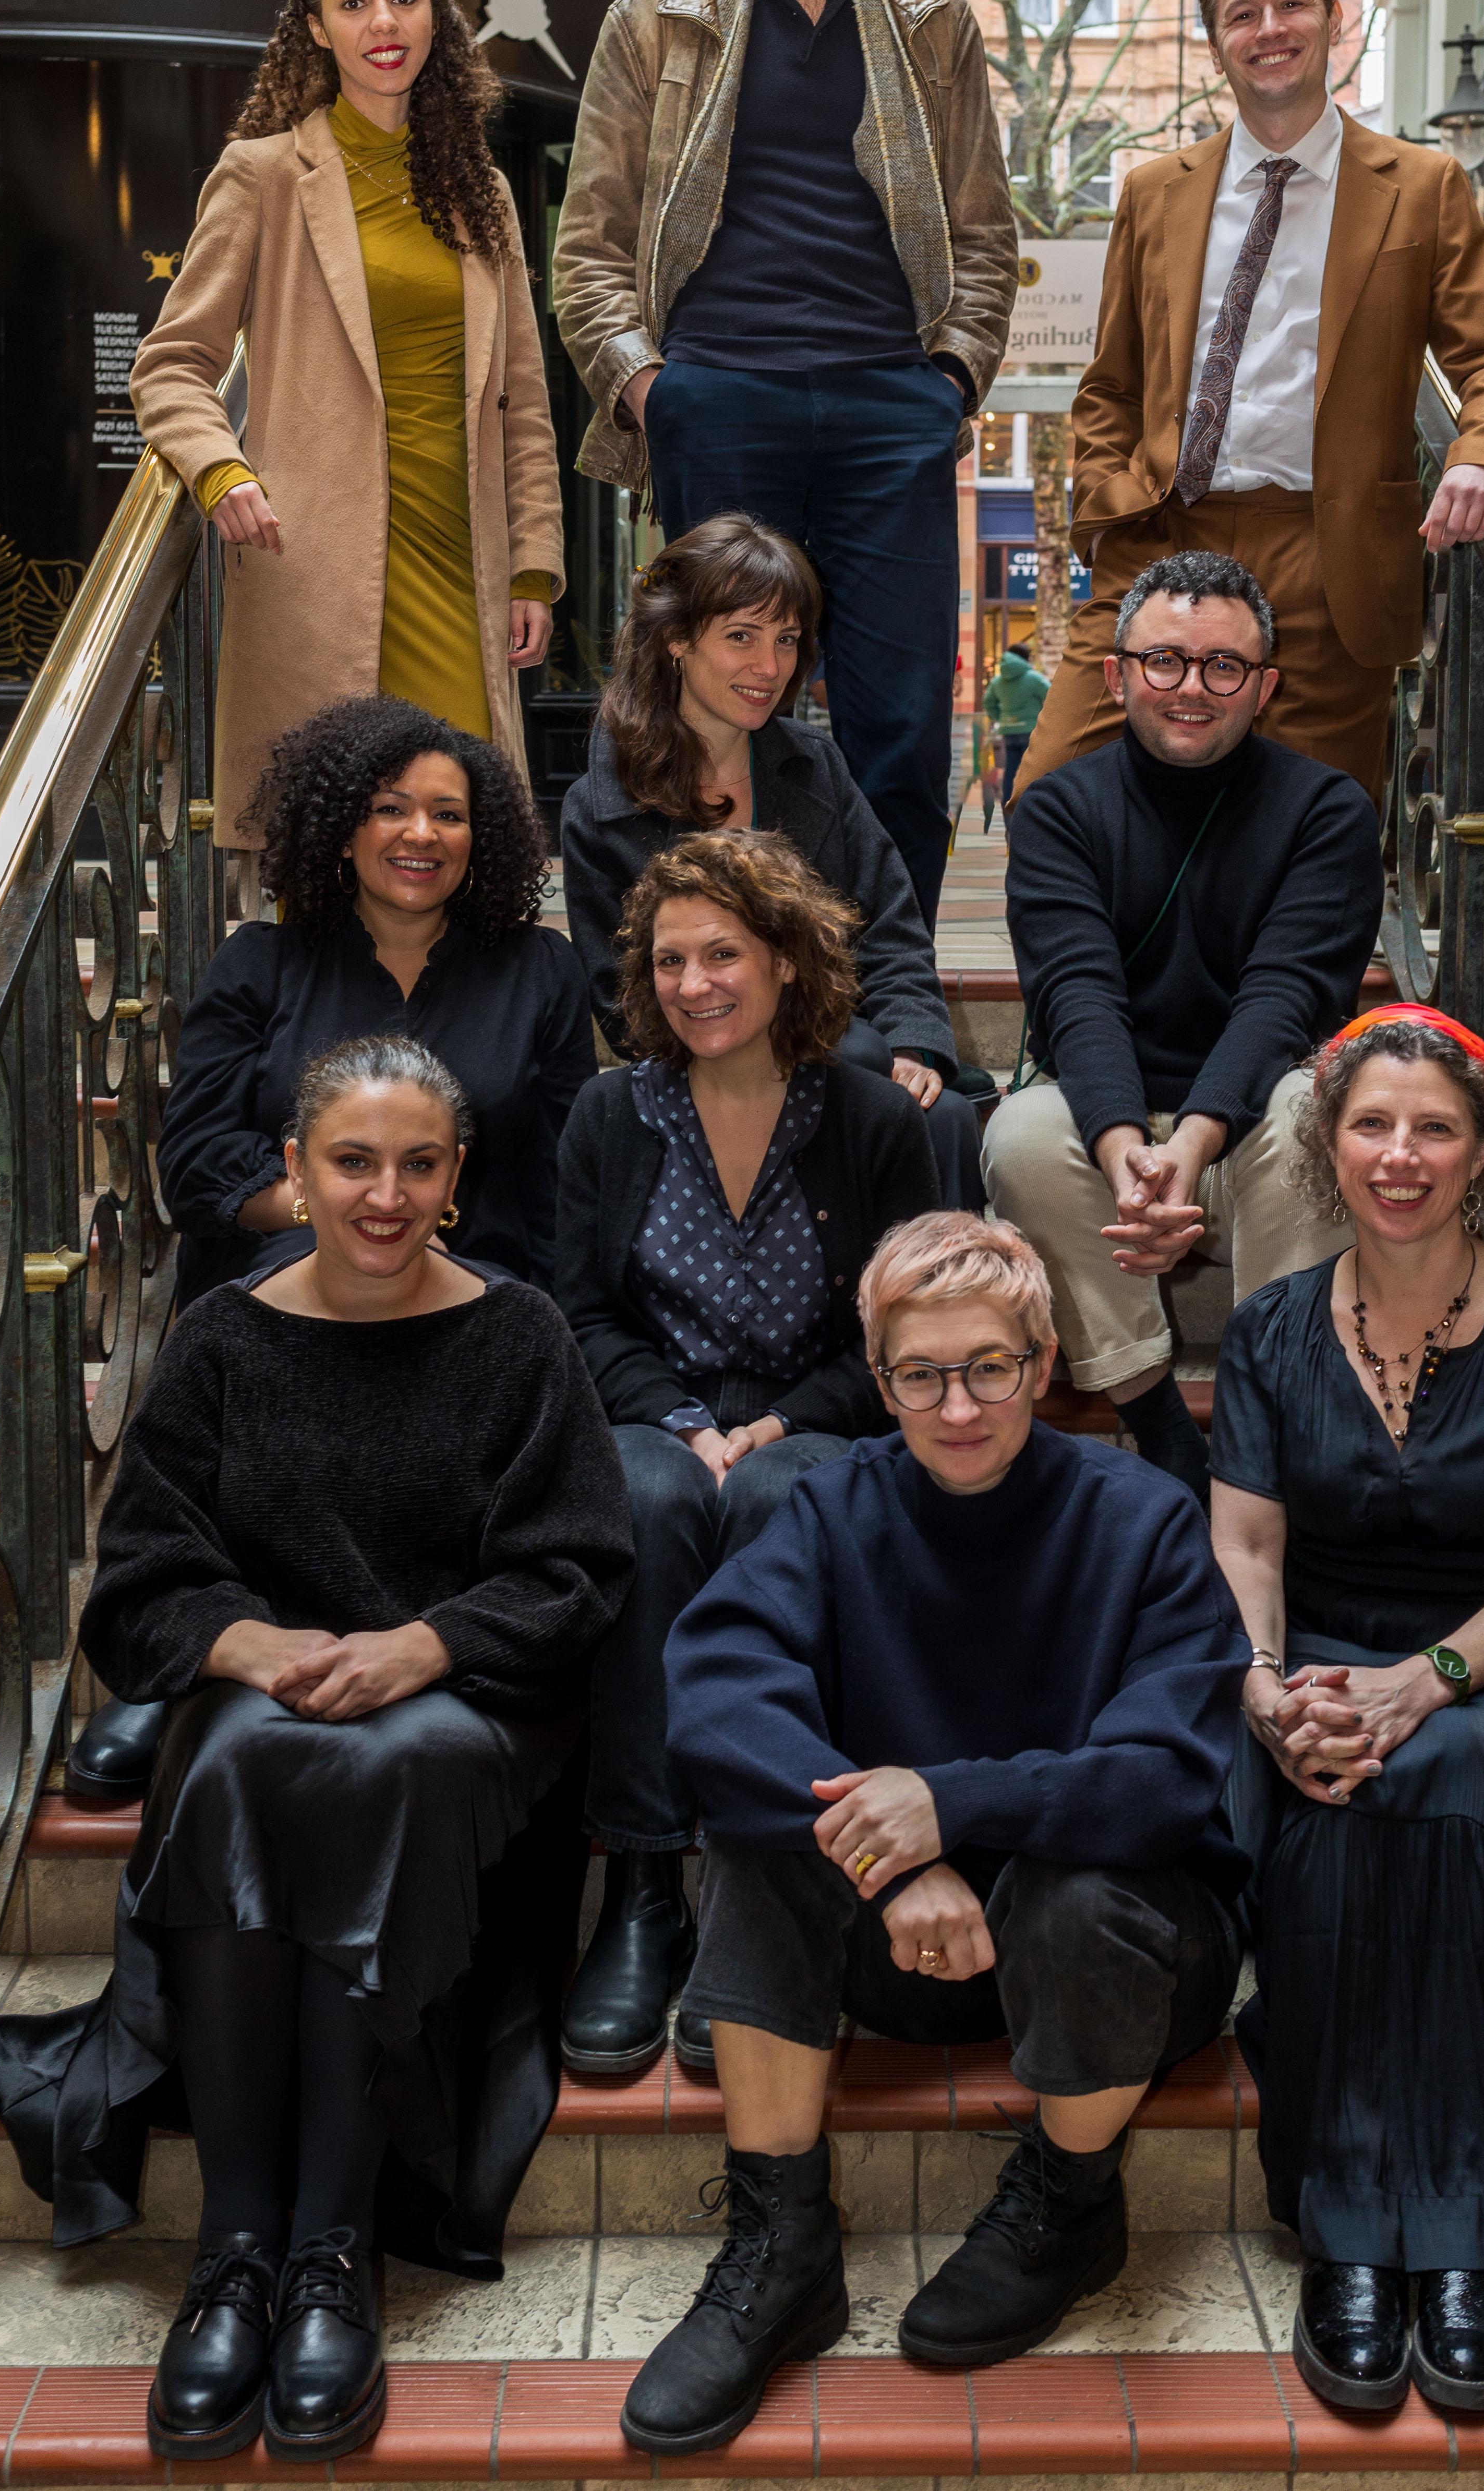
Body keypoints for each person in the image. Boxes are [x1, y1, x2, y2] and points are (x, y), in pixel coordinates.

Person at [0, 1036, 633, 2466]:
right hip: (262, 1692)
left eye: (416, 1162)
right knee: (228, 1762)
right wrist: (253, 1645)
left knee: (373, 1767)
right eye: (351, 1159)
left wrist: (424, 1643)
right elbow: (141, 1575)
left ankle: (333, 2251)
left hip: (470, 1703)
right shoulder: (222, 1332)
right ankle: (234, 2246)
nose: (383, 1192)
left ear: (456, 1176)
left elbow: (579, 1570)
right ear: (293, 1169)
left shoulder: (519, 1334)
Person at [618, 1211, 1248, 2457]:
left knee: (1081, 1880)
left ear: (1043, 1353)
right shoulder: (830, 1507)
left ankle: (1069, 2206)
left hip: (1114, 1958)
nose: (957, 1406)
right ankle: (779, 2244)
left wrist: (945, 1802)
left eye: (989, 1367)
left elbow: (1166, 1776)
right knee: (763, 1831)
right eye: (919, 1374)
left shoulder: (1143, 1516)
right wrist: (897, 1851)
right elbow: (717, 1702)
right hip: (897, 1949)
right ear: (880, 1376)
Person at [1211, 1004, 1484, 2416]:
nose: (1398, 1154)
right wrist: (1268, 1687)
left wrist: (1422, 1680)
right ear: (1325, 1140)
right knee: (1342, 1791)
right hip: (1323, 1667)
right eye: (1370, 1123)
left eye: (1432, 1126)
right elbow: (1247, 1551)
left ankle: (1456, 2231)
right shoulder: (1273, 1327)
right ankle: (1351, 2222)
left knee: (1436, 1775)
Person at [65, 695, 595, 1809]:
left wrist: (490, 1298)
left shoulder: (541, 974)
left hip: (471, 1301)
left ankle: (422, 1641)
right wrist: (342, 1232)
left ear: (482, 835)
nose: (419, 833)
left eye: (447, 813)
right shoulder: (261, 960)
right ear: (338, 825)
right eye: (390, 807)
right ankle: (198, 1653)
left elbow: (555, 1182)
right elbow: (199, 1159)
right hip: (281, 1285)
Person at [549, 0, 1016, 930]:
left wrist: (948, 387)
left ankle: (889, 1006)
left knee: (903, 724)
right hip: (720, 400)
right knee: (709, 717)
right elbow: (586, 249)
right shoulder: (653, 20)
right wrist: (660, 389)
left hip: (885, 403)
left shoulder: (930, 23)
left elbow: (983, 238)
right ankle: (718, 975)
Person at [1013, 0, 1484, 811]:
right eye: (1242, 14)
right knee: (1053, 800)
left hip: (1326, 556)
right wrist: (1106, 511)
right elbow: (1109, 387)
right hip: (1159, 534)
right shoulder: (1152, 194)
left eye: (1290, 5)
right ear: (1216, 43)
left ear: (1334, 19)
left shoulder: (1419, 189)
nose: (1269, 30)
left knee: (1310, 843)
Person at [554, 829, 938, 2076]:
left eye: (722, 951)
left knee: (786, 1494)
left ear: (784, 959)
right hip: (653, 1411)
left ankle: (763, 1889)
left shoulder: (873, 1117)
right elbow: (582, 1311)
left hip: (820, 1415)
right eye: (669, 959)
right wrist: (681, 1416)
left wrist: (782, 1417)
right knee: (649, 1497)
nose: (694, 981)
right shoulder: (612, 1115)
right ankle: (646, 1885)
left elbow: (904, 1317)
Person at [129, 0, 565, 843]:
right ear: (318, 28)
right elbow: (172, 364)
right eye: (355, 2)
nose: (383, 21)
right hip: (317, 573)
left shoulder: (479, 190)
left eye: (404, 0)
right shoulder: (264, 177)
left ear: (434, 23)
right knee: (333, 847)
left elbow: (523, 400)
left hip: (464, 570)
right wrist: (220, 470)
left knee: (460, 832)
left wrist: (535, 564)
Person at [983, 550, 1384, 1501]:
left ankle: (1263, 1420)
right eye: (1163, 661)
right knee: (1022, 1138)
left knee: (1310, 1120)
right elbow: (1075, 995)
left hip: (1253, 1095)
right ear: (1117, 675)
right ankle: (1157, 1421)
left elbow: (1285, 997)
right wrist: (1129, 1153)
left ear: (1265, 687)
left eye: (1222, 667)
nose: (1190, 689)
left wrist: (1195, 1145)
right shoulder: (1055, 811)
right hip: (1107, 1096)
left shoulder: (1326, 811)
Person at [560, 513, 982, 1209]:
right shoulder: (600, 804)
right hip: (704, 1062)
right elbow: (624, 1004)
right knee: (858, 1065)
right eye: (741, 637)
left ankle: (945, 1311)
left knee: (943, 1116)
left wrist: (914, 1045)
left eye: (786, 640)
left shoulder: (814, 765)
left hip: (844, 1052)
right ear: (674, 640)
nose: (770, 667)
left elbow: (891, 928)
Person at [984, 640, 1049, 807]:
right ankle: (1029, 807)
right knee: (1031, 771)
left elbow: (988, 702)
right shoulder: (1034, 678)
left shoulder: (998, 681)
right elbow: (1051, 697)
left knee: (1010, 772)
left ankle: (1008, 810)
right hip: (1031, 731)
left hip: (1009, 731)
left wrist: (1000, 718)